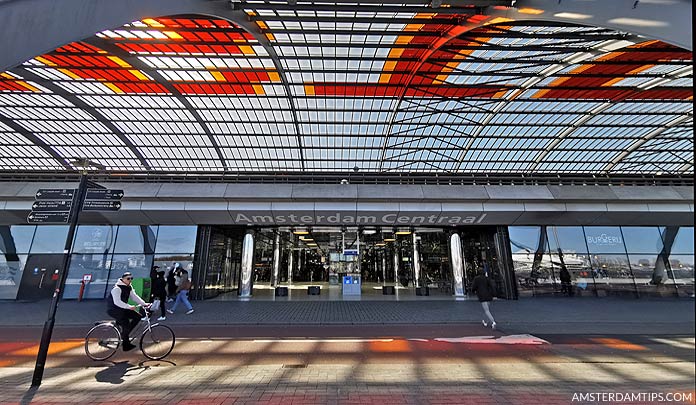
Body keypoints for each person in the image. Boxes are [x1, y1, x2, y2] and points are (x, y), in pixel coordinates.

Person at [106, 272, 149, 351]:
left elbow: (134, 297)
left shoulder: (129, 287)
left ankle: (124, 333)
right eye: (128, 279)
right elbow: (117, 302)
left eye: (131, 278)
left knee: (138, 316)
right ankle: (126, 345)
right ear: (122, 279)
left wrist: (144, 304)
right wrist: (129, 307)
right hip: (114, 309)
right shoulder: (117, 289)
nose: (130, 280)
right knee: (126, 324)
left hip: (122, 308)